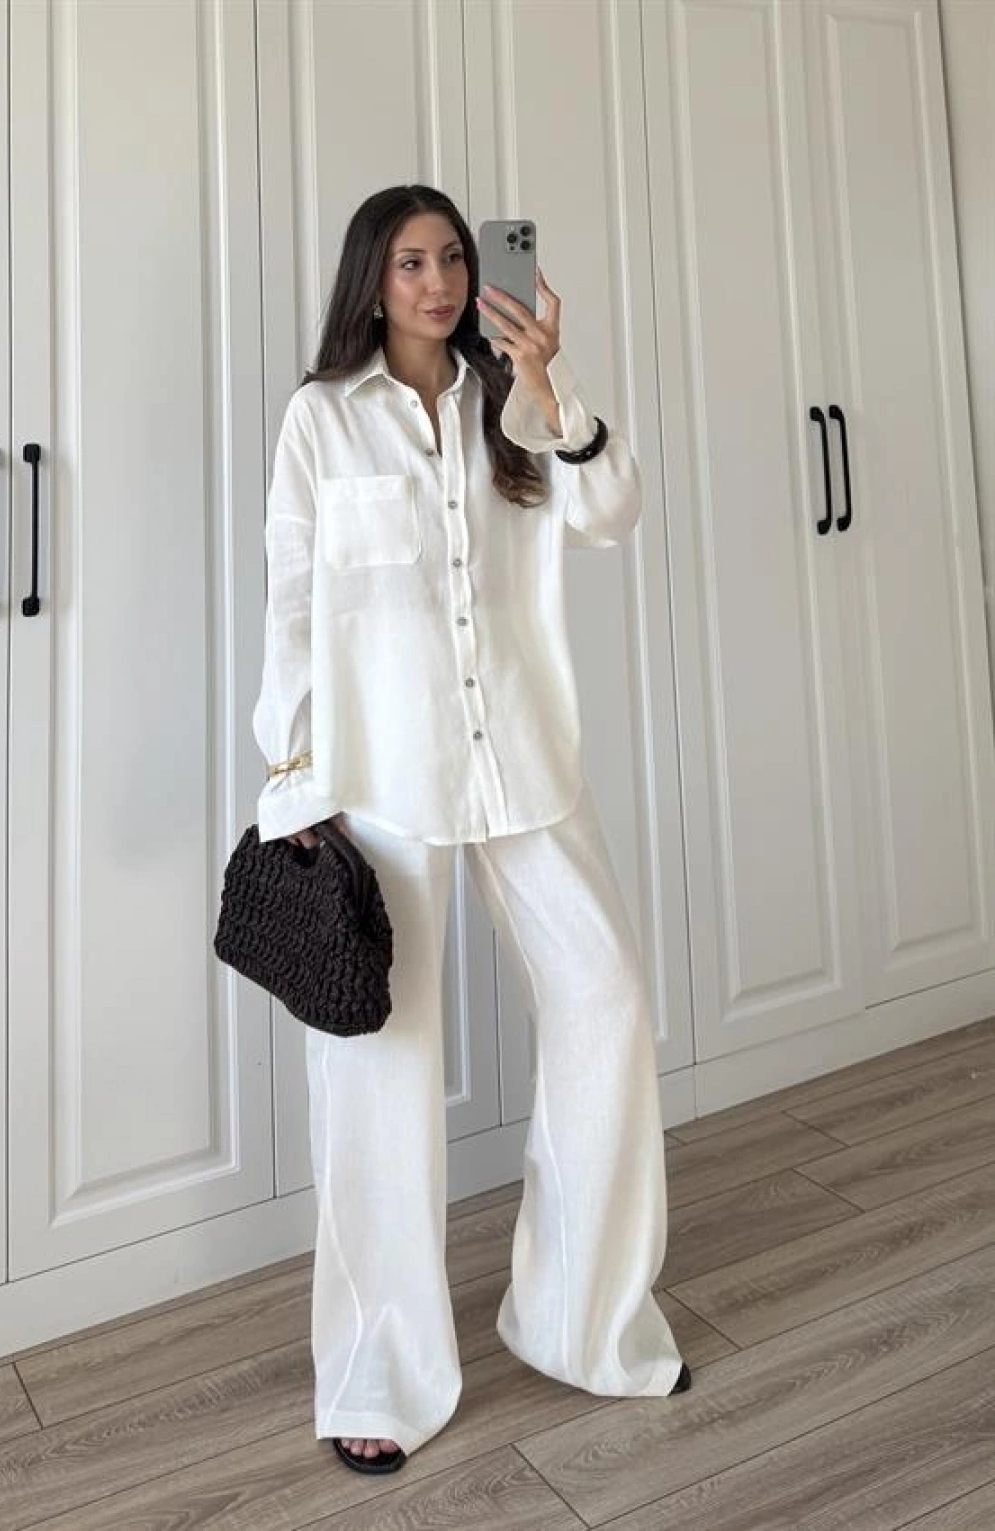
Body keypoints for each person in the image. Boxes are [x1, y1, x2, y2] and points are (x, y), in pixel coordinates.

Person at [252, 184, 690, 1477]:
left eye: (454, 258)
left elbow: (611, 513)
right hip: (382, 775)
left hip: (526, 759)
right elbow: (292, 599)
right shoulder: (322, 418)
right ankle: (379, 1369)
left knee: (607, 998)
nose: (440, 282)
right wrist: (295, 779)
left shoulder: (517, 399)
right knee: (382, 1067)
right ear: (372, 279)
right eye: (412, 262)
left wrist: (554, 384)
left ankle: (584, 1318)